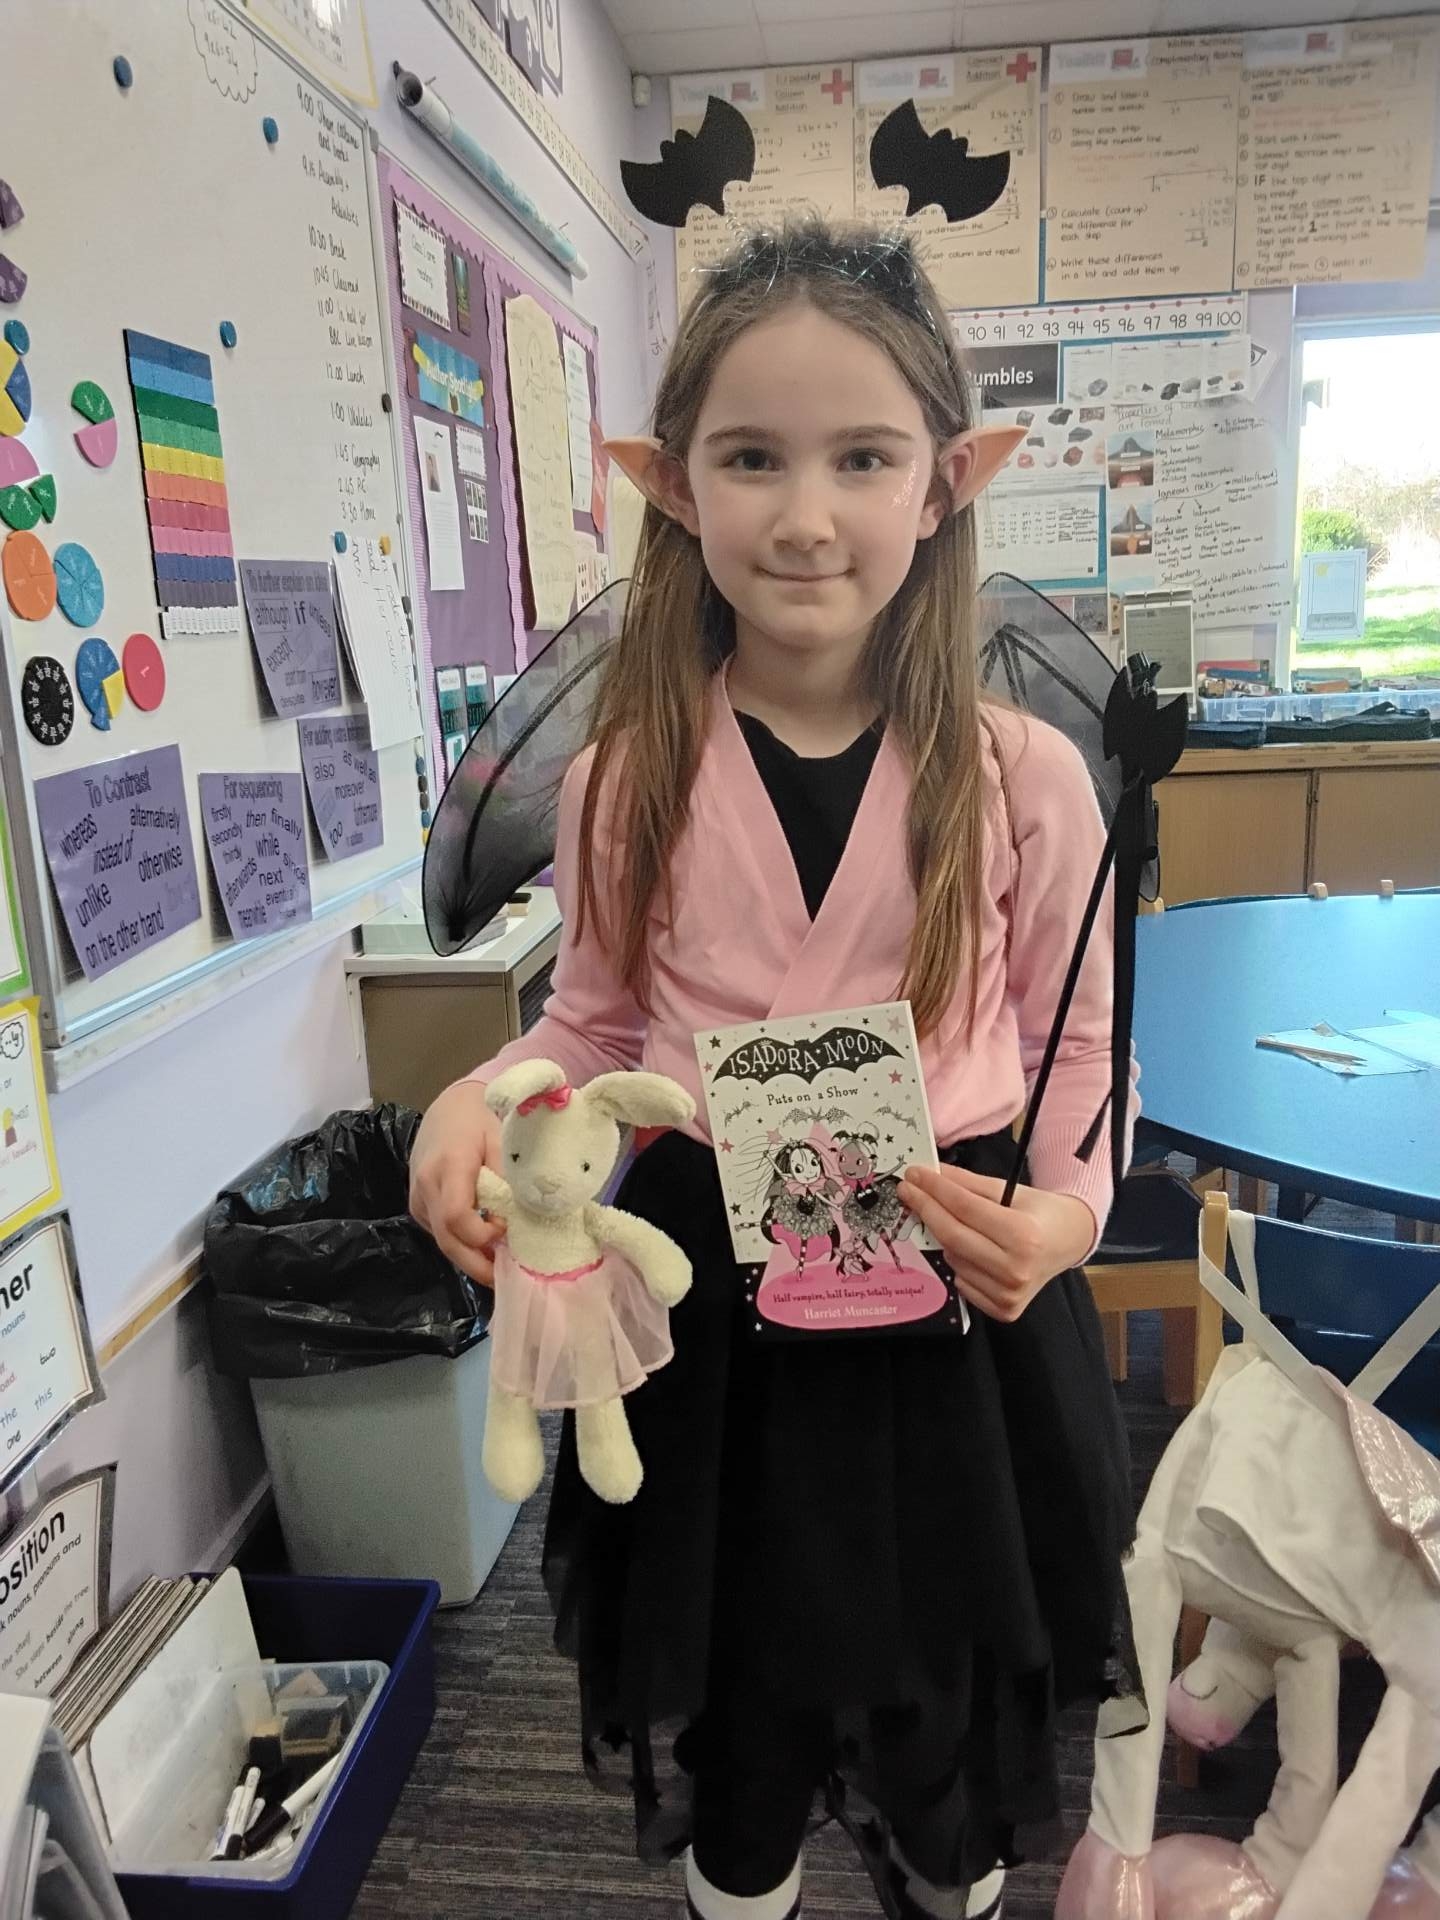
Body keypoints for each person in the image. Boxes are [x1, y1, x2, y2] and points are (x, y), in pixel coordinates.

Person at [410, 220, 1142, 1920]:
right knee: (738, 1716)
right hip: (716, 1319)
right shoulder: (626, 776)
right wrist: (476, 1094)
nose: (806, 515)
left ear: (949, 481)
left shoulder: (1026, 775)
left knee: (945, 1736)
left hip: (954, 1296)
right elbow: (596, 1029)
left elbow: (1079, 1048)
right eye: (752, 458)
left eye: (862, 458)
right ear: (671, 484)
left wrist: (1070, 1218)